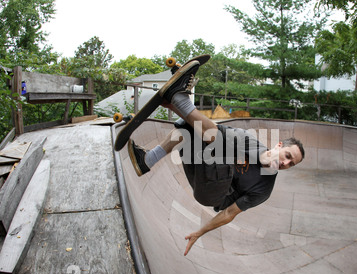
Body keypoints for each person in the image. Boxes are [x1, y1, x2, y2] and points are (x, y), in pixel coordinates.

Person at [127, 60, 305, 255]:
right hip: (199, 171)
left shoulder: (264, 189)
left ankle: (181, 100)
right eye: (287, 156)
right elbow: (210, 129)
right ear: (279, 146)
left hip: (212, 194)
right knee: (190, 129)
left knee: (220, 143)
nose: (285, 163)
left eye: (291, 164)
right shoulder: (249, 141)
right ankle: (148, 160)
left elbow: (229, 213)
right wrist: (173, 106)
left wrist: (200, 232)